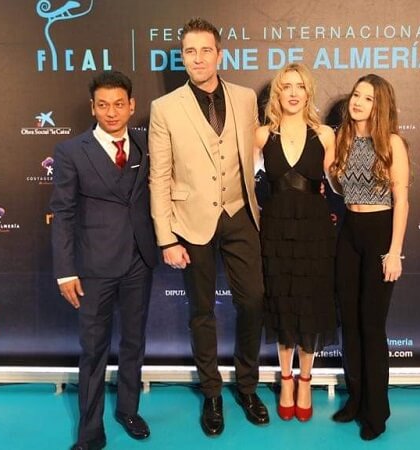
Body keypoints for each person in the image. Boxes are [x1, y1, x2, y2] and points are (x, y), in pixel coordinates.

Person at [148, 18, 268, 436]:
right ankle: (212, 392)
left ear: (219, 54)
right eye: (189, 52)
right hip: (191, 220)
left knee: (253, 301)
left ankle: (247, 386)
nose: (197, 59)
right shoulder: (165, 108)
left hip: (240, 213)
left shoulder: (245, 98)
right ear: (183, 58)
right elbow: (159, 177)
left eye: (205, 50)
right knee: (202, 312)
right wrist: (166, 237)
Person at [50, 70, 158, 450]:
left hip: (139, 261)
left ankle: (129, 409)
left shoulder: (146, 144)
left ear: (131, 106)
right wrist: (65, 271)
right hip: (94, 267)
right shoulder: (70, 151)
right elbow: (62, 213)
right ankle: (90, 431)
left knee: (134, 342)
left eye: (118, 104)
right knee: (94, 350)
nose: (111, 112)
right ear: (92, 108)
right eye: (103, 105)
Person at [327, 74, 410, 441]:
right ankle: (356, 400)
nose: (358, 102)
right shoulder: (342, 138)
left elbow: (401, 200)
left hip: (379, 233)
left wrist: (394, 252)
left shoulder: (392, 143)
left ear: (380, 106)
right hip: (349, 230)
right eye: (356, 95)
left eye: (368, 98)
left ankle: (377, 411)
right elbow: (336, 185)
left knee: (372, 327)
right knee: (349, 323)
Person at [253, 63, 337, 422]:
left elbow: (337, 185)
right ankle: (285, 380)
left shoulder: (325, 135)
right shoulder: (261, 135)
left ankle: (306, 380)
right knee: (282, 303)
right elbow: (244, 184)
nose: (292, 92)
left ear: (308, 92)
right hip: (274, 231)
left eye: (299, 86)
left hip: (314, 232)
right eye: (285, 86)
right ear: (277, 93)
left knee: (309, 303)